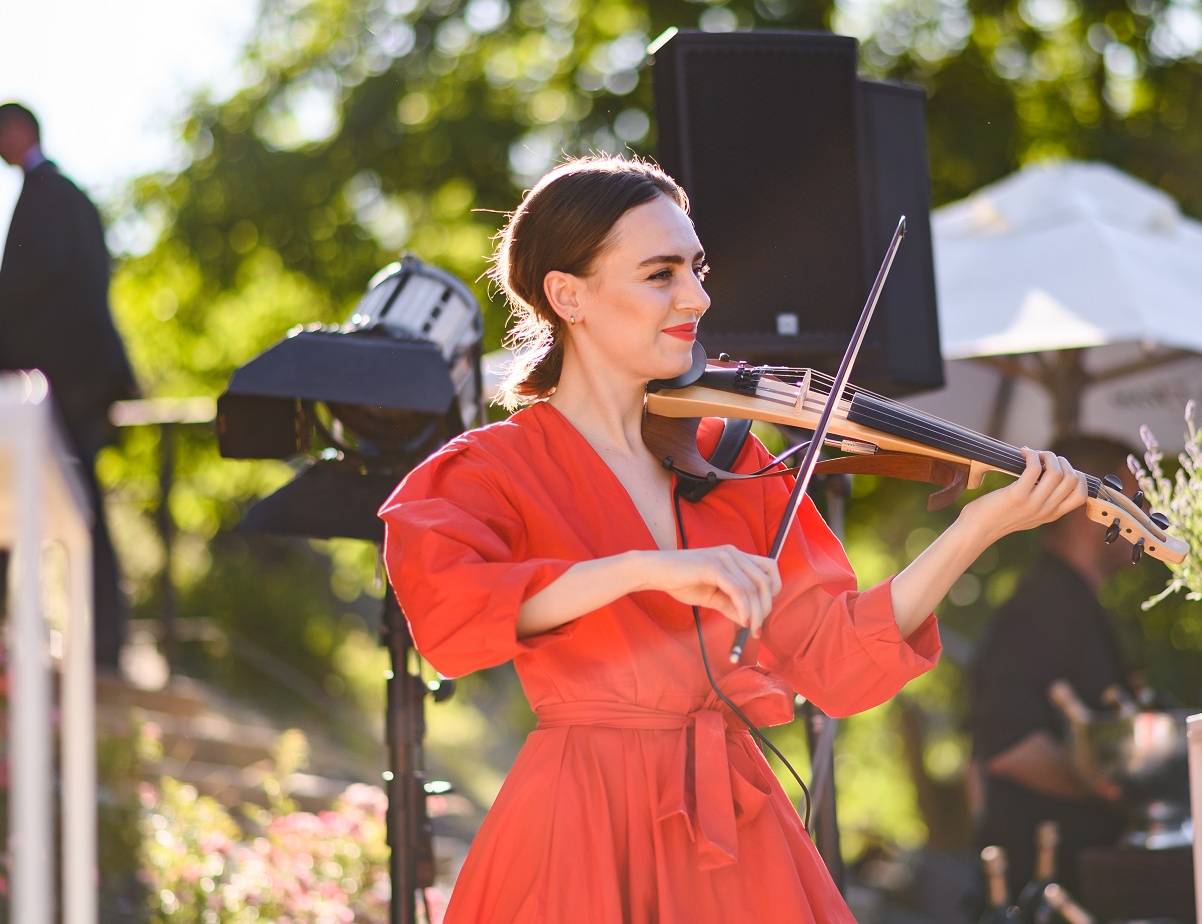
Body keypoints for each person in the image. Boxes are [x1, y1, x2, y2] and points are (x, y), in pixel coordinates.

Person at [378, 156, 1089, 923]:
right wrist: (647, 569)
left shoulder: (731, 454)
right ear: (567, 295)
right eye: (661, 273)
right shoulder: (492, 467)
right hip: (583, 820)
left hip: (736, 827)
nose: (698, 296)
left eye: (697, 266)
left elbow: (834, 659)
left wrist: (973, 531)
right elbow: (451, 615)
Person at [0, 102, 137, 671]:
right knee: (37, 499)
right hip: (66, 381)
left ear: (20, 131)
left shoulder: (48, 194)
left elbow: (43, 279)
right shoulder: (65, 196)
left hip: (56, 383)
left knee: (63, 503)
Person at [965, 435, 1143, 897]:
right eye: (1137, 502)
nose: (1148, 520)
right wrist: (1122, 796)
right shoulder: (1045, 607)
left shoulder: (1072, 605)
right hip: (1043, 884)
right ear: (1095, 509)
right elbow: (1007, 746)